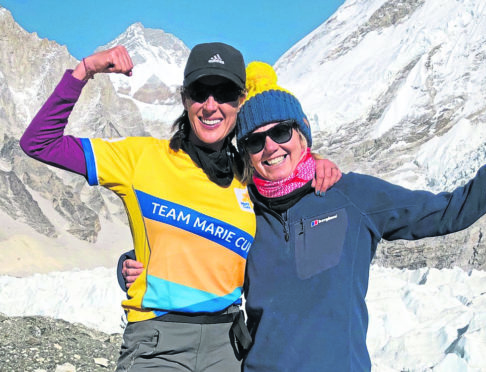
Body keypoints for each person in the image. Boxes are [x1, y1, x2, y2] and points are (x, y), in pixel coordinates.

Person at [121, 61, 486, 370]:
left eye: (280, 132)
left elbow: (455, 210)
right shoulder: (242, 212)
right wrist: (134, 262)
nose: (271, 147)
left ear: (302, 135)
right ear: (246, 154)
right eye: (255, 141)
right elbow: (193, 249)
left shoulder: (351, 196)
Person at [19, 44, 340, 372]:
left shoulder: (248, 174)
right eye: (200, 92)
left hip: (227, 346)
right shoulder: (140, 158)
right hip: (158, 341)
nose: (211, 106)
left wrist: (315, 162)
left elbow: (286, 199)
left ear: (240, 102)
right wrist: (85, 69)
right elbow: (39, 142)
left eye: (225, 93)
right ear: (185, 99)